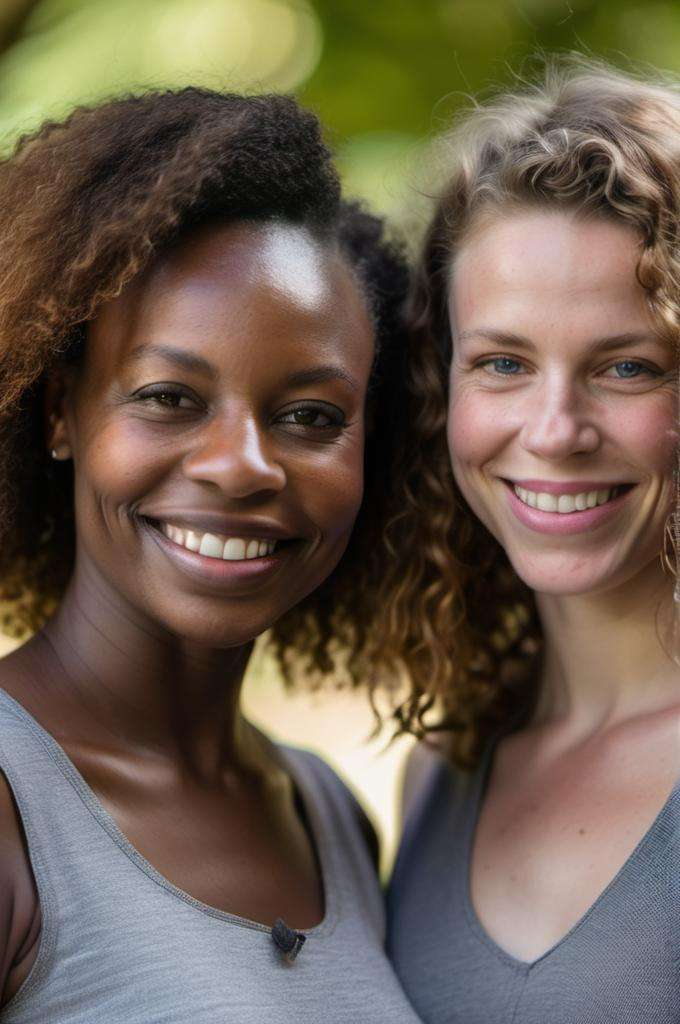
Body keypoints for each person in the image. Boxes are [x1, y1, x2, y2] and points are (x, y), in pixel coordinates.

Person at [0, 88, 422, 1023]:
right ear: (59, 412)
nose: (241, 468)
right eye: (167, 397)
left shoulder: (331, 815)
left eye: (310, 416)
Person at [384, 59, 680, 1022]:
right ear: (443, 389)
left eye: (628, 366)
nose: (554, 431)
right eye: (504, 363)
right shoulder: (440, 772)